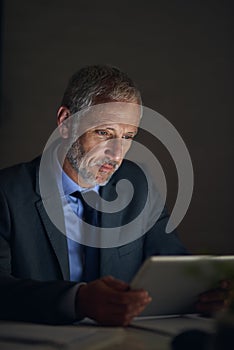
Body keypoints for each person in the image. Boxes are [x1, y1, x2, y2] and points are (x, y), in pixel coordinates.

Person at [0, 64, 231, 326]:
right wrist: (77, 300)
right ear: (65, 123)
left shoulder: (139, 184)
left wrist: (206, 293)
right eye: (104, 133)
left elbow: (173, 268)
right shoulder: (6, 194)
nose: (117, 154)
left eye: (128, 136)